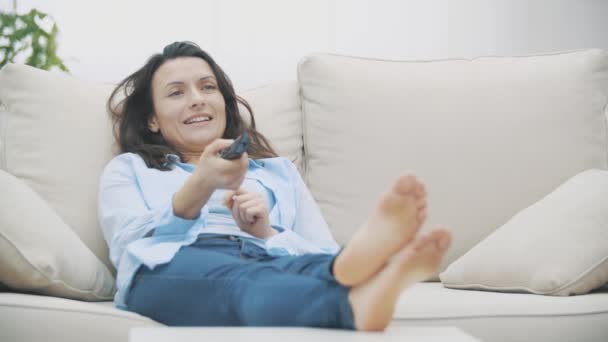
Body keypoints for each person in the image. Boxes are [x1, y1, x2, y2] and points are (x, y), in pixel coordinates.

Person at [99, 41, 452, 331]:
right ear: (152, 120)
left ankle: (368, 280)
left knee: (316, 266)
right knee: (243, 284)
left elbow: (318, 247)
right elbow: (126, 243)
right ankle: (353, 302)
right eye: (176, 93)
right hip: (168, 266)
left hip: (264, 255)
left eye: (208, 87)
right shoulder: (130, 169)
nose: (197, 98)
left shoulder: (276, 172)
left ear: (224, 101)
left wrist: (267, 232)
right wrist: (201, 183)